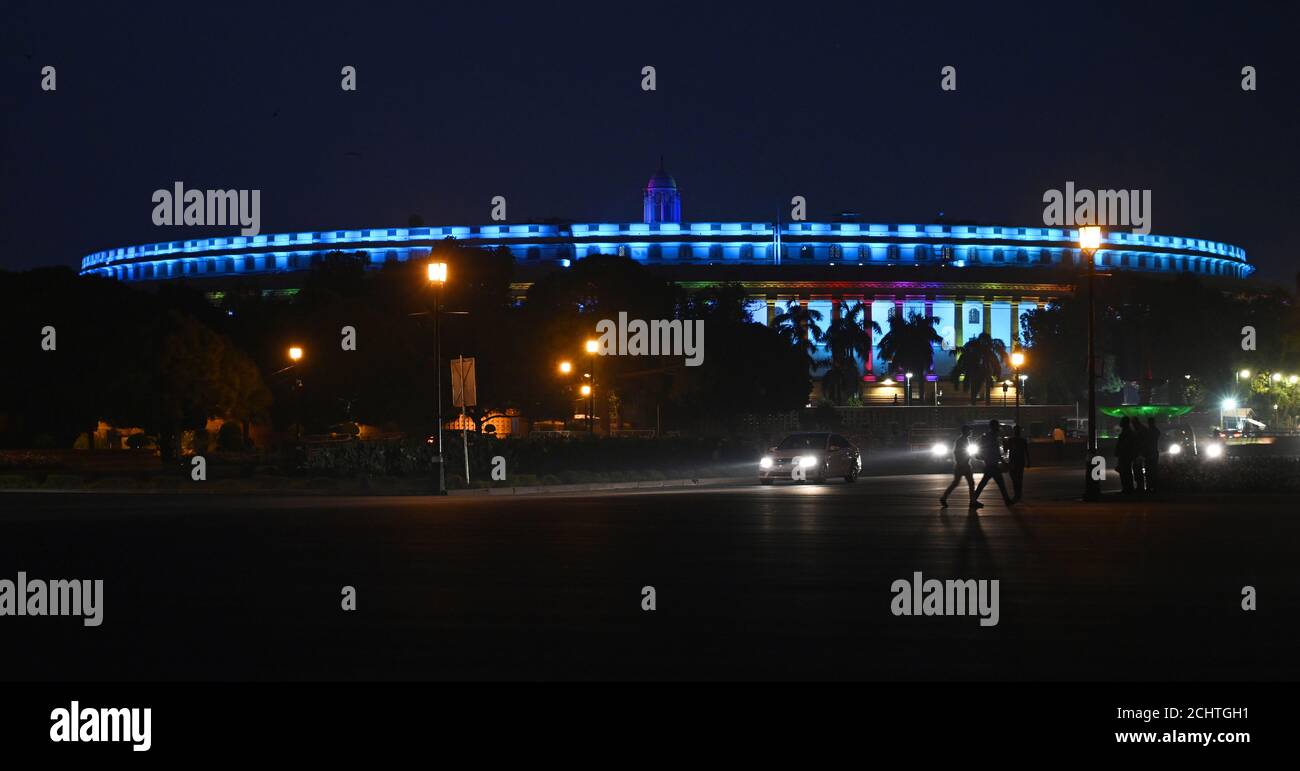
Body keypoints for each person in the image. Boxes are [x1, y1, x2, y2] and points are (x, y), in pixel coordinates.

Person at [973, 419, 1015, 507]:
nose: (998, 427)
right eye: (997, 426)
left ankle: (973, 500)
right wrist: (1003, 462)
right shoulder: (992, 437)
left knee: (984, 483)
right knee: (1000, 484)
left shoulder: (988, 436)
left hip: (989, 463)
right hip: (992, 464)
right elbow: (995, 452)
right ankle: (1007, 501)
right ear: (994, 426)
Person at [939, 425, 979, 509]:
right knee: (969, 483)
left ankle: (944, 497)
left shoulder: (964, 440)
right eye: (969, 431)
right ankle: (972, 501)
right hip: (963, 465)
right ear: (966, 431)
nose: (971, 432)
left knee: (957, 483)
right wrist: (961, 462)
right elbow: (957, 453)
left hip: (962, 465)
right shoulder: (961, 440)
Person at [1007, 425, 1030, 502]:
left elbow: (1006, 450)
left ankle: (1017, 494)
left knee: (1014, 478)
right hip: (1020, 461)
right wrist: (1029, 461)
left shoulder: (1011, 440)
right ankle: (1018, 494)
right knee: (1019, 478)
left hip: (1013, 461)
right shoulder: (1023, 440)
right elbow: (1026, 452)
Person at [1115, 416, 1136, 494]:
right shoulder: (1128, 431)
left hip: (1125, 455)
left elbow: (1124, 444)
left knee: (1125, 471)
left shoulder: (1126, 432)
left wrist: (1119, 451)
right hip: (1126, 454)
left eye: (1122, 421)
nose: (1120, 422)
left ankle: (1127, 488)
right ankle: (1128, 488)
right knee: (1126, 471)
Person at [1144, 417, 1162, 493]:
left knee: (1149, 470)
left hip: (1150, 453)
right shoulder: (1156, 431)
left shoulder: (1149, 431)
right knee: (1153, 470)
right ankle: (1154, 486)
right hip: (1154, 452)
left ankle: (1150, 486)